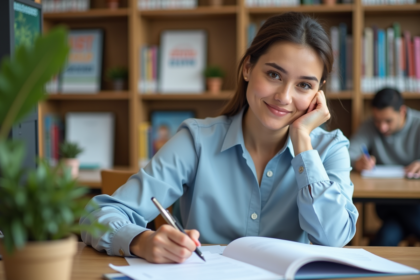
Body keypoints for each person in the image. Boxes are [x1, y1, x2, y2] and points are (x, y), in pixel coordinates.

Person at [80, 12, 358, 264]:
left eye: (304, 85)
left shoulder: (330, 148)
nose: (284, 97)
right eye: (274, 74)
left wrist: (302, 142)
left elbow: (334, 238)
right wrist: (141, 241)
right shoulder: (197, 141)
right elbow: (97, 216)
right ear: (248, 68)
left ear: (318, 93)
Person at [349, 87, 420, 246]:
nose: (382, 127)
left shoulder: (418, 123)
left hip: (414, 202)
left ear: (402, 111)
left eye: (388, 121)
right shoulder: (369, 125)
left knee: (385, 238)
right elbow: (349, 152)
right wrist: (357, 161)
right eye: (377, 120)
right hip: (385, 202)